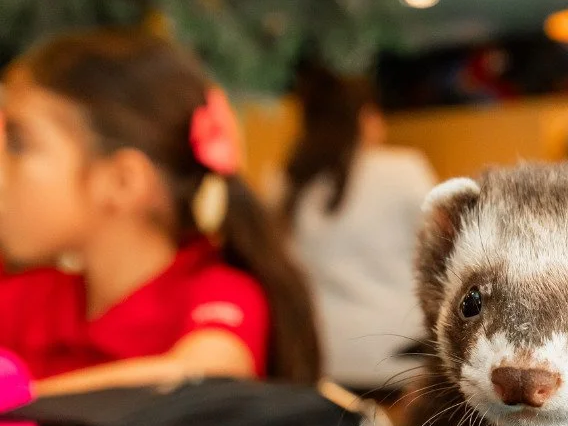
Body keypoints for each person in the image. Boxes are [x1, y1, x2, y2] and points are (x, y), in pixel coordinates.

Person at [0, 27, 320, 394]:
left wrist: (17, 399)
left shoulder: (218, 291)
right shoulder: (31, 297)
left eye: (19, 145)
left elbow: (202, 377)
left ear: (122, 181)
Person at [283, 65, 437, 394]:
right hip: (395, 359)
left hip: (316, 360)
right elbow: (448, 252)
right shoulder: (403, 171)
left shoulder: (288, 183)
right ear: (365, 117)